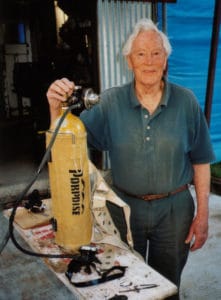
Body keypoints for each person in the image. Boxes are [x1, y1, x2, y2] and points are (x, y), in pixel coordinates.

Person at [46, 18, 215, 299]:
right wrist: (56, 109)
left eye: (156, 53)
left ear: (166, 59)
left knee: (167, 285)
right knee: (122, 279)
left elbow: (201, 161)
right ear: (129, 61)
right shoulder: (109, 103)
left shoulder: (186, 102)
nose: (149, 61)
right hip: (123, 209)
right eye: (140, 54)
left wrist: (203, 216)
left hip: (175, 212)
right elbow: (67, 143)